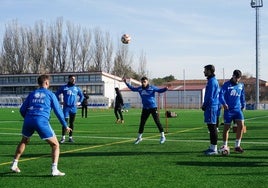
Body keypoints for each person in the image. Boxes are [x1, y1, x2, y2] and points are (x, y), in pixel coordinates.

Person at [10, 75, 72, 176]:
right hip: (41, 121)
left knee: (24, 140)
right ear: (47, 82)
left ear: (39, 83)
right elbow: (58, 111)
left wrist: (28, 118)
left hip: (28, 120)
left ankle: (14, 164)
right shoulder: (50, 94)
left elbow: (22, 110)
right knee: (55, 145)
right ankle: (54, 170)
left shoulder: (32, 94)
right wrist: (65, 125)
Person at [123, 76, 168, 144]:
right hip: (145, 108)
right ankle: (139, 138)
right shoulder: (140, 88)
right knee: (142, 123)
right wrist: (126, 83)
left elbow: (159, 90)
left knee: (157, 122)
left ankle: (163, 136)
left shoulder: (152, 87)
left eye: (144, 82)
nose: (143, 83)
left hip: (153, 108)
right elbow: (132, 88)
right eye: (142, 82)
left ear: (147, 82)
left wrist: (166, 88)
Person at [219, 69, 246, 153]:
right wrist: (224, 103)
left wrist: (243, 104)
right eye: (236, 77)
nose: (237, 79)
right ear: (233, 76)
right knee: (226, 128)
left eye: (239, 78)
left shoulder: (241, 85)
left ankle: (237, 146)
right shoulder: (226, 85)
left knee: (241, 126)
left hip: (238, 110)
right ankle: (225, 145)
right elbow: (221, 95)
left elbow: (242, 96)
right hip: (228, 110)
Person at [56, 75, 84, 143]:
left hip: (73, 108)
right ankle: (63, 138)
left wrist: (79, 102)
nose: (73, 80)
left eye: (74, 79)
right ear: (69, 79)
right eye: (72, 79)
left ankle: (70, 137)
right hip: (66, 108)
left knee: (72, 123)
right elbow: (56, 94)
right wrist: (59, 102)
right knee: (65, 123)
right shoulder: (64, 87)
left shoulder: (77, 88)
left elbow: (82, 96)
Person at [202, 65, 220, 155]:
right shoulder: (211, 80)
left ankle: (214, 149)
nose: (204, 72)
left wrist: (204, 105)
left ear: (209, 71)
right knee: (211, 127)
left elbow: (210, 95)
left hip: (211, 107)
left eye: (205, 70)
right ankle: (212, 147)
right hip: (212, 106)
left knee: (212, 128)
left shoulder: (212, 81)